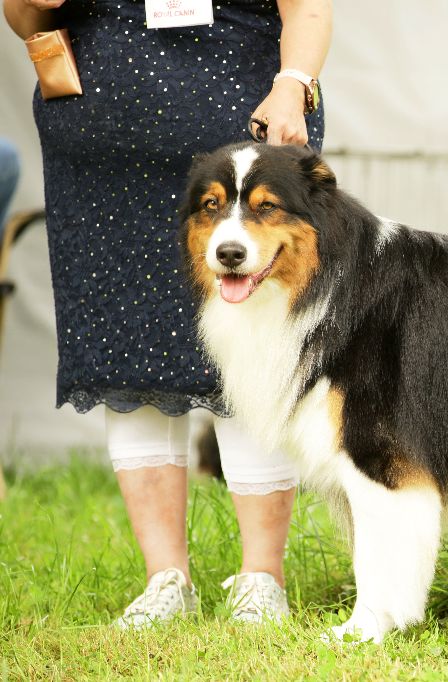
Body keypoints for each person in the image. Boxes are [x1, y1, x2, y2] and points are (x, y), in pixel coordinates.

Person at [3, 0, 331, 627]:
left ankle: (262, 578)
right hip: (102, 152)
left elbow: (309, 8)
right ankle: (165, 581)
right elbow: (26, 20)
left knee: (254, 354)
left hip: (245, 128)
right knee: (128, 357)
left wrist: (294, 84)